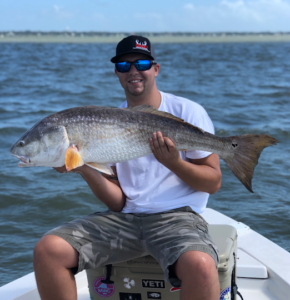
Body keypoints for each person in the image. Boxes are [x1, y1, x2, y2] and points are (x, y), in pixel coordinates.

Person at [33, 35, 222, 300]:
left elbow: (213, 182)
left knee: (201, 265)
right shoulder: (106, 122)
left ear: (155, 68)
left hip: (179, 218)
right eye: (124, 66)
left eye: (141, 63)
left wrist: (174, 163)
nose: (133, 71)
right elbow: (119, 203)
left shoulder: (187, 111)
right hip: (125, 220)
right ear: (117, 73)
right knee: (47, 250)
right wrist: (84, 167)